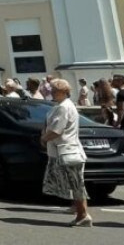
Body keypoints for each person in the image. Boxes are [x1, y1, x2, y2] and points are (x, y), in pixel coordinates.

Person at [41, 79, 91, 227]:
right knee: (75, 183)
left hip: (67, 151)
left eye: (55, 90)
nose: (52, 93)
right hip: (68, 150)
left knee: (76, 184)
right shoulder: (64, 105)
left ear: (64, 92)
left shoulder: (63, 107)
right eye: (52, 90)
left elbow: (57, 130)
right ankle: (79, 211)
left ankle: (83, 215)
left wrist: (44, 138)